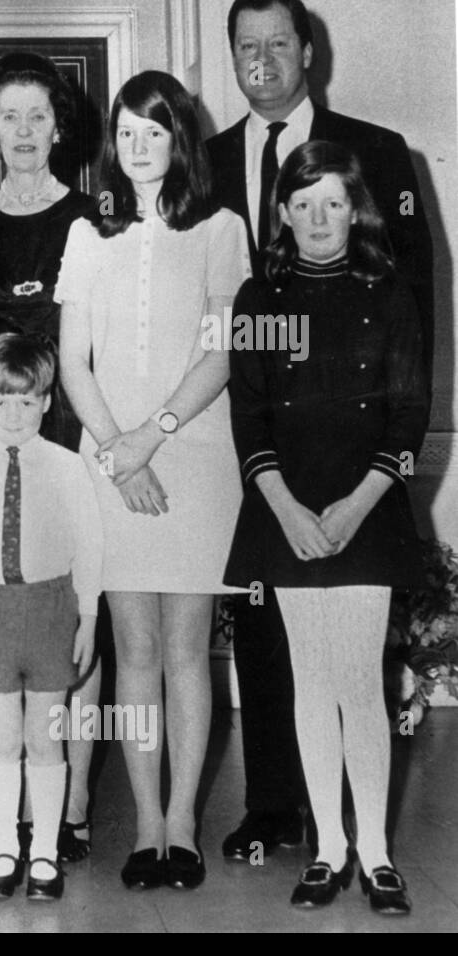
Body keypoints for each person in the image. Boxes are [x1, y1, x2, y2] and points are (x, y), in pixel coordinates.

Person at [207, 0, 435, 864]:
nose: (261, 59)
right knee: (268, 637)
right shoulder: (211, 159)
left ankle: (357, 827)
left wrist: (395, 456)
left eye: (278, 43)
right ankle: (276, 810)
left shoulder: (378, 153)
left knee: (350, 660)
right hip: (257, 438)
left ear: (309, 49)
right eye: (245, 46)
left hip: (359, 446)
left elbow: (412, 312)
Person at [56, 70, 249, 891]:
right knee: (131, 647)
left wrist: (153, 437)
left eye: (155, 132)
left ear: (181, 140)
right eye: (125, 134)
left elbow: (219, 351)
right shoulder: (85, 233)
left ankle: (184, 826)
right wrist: (115, 450)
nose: (138, 148)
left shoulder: (220, 228)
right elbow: (72, 361)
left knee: (185, 649)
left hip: (196, 459)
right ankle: (143, 825)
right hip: (111, 464)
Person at [0, 50, 102, 863]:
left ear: (59, 126)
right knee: (15, 614)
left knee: (71, 612)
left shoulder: (89, 218)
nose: (24, 131)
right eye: (9, 116)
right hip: (5, 427)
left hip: (75, 427)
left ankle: (71, 804)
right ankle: (19, 807)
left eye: (39, 115)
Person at [0, 333, 102, 900]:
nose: (14, 414)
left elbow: (89, 543)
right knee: (1, 738)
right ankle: (4, 849)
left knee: (45, 737)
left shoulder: (66, 466)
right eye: (1, 401)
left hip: (51, 609)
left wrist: (87, 616)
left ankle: (45, 854)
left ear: (47, 401)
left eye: (27, 400)